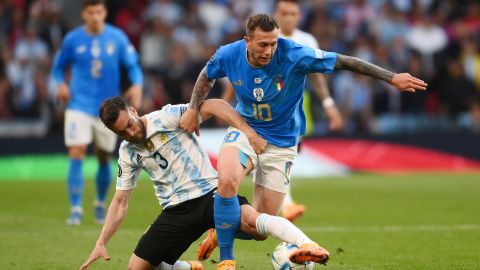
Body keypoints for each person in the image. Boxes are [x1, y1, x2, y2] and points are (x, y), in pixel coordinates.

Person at [179, 13, 427, 269]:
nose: (269, 50)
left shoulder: (295, 54)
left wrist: (391, 77)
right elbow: (206, 76)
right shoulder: (228, 54)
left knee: (259, 227)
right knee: (227, 181)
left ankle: (220, 231)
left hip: (282, 142)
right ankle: (227, 261)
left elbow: (344, 61)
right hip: (245, 130)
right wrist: (192, 108)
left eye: (273, 43)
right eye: (263, 44)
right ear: (247, 41)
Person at [79, 97, 329, 270]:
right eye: (122, 132)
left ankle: (308, 245)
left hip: (211, 196)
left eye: (130, 125)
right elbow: (121, 202)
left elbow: (215, 105)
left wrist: (247, 132)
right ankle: (187, 267)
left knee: (254, 224)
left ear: (133, 110)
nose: (131, 134)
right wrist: (101, 242)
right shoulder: (127, 152)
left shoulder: (166, 117)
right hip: (175, 211)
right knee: (137, 267)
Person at [51, 0, 143, 225]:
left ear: (104, 13)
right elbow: (57, 68)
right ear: (84, 14)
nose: (95, 17)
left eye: (99, 12)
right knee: (77, 151)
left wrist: (137, 84)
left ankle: (100, 204)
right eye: (91, 12)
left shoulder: (117, 37)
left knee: (103, 157)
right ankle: (75, 209)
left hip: (108, 111)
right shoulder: (72, 39)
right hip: (78, 106)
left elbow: (133, 66)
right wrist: (59, 84)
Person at [275, 0, 343, 222]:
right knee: (269, 153)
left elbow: (315, 75)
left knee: (287, 154)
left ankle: (280, 202)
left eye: (293, 13)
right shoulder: (268, 37)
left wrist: (328, 104)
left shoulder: (306, 40)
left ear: (299, 16)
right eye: (284, 13)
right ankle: (285, 203)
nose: (289, 18)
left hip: (295, 106)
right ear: (277, 14)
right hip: (267, 104)